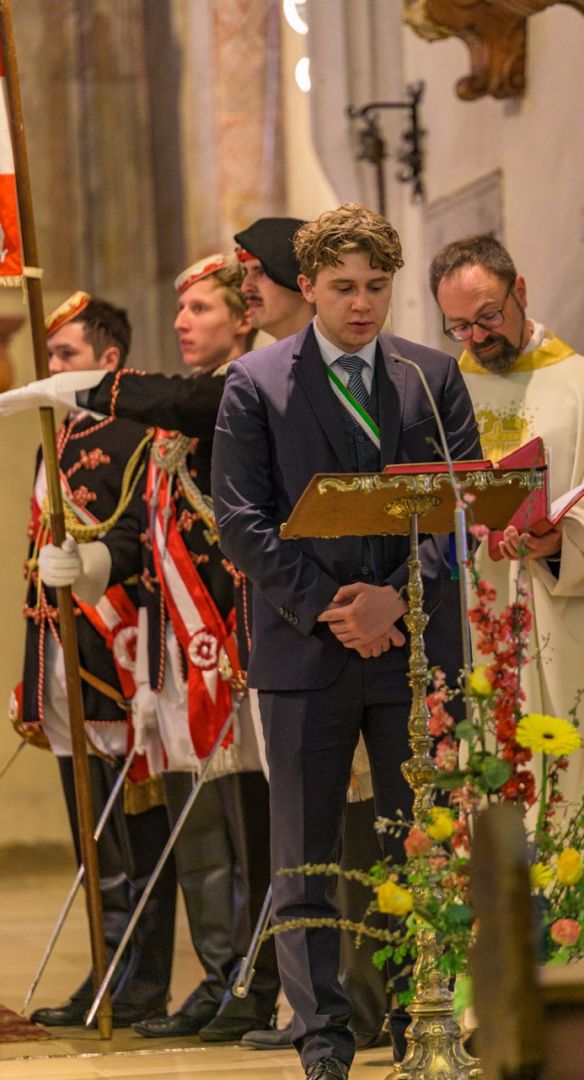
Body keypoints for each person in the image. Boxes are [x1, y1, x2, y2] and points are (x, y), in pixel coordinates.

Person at [211, 203, 480, 1080]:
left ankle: (418, 1026)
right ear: (307, 289)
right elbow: (241, 523)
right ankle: (322, 1040)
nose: (362, 305)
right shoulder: (258, 382)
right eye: (342, 288)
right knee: (307, 854)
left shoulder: (428, 376)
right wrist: (333, 606)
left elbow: (462, 504)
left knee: (416, 848)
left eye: (376, 287)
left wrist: (396, 604)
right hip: (305, 650)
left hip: (410, 649)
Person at [3, 255, 282, 1042]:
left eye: (200, 307)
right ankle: (211, 978)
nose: (184, 320)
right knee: (197, 839)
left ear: (245, 316)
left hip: (226, 649)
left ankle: (248, 982)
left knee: (242, 831)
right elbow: (138, 538)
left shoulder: (234, 395)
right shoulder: (152, 433)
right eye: (181, 306)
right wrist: (91, 566)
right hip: (168, 657)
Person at [429, 234, 584, 816]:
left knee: (580, 789)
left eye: (489, 315)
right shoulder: (437, 399)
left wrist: (563, 543)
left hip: (567, 619)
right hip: (473, 624)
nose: (479, 337)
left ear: (522, 291)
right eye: (460, 326)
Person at [10, 293, 176, 1027]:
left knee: (135, 836)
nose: (53, 368)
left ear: (110, 361)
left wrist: (92, 563)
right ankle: (106, 974)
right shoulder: (60, 435)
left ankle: (140, 985)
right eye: (49, 356)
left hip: (117, 660)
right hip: (62, 658)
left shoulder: (138, 434)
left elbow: (144, 542)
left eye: (66, 356)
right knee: (93, 841)